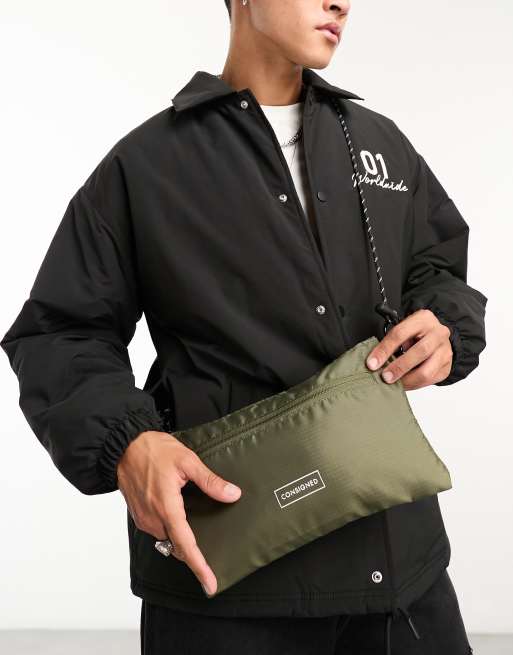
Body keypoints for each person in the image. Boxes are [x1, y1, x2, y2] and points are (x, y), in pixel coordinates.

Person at [0, 0, 486, 653]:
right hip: (229, 582)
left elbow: (437, 267)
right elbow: (58, 330)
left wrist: (445, 325)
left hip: (401, 572)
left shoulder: (379, 143)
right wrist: (128, 442)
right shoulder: (145, 165)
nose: (341, 2)